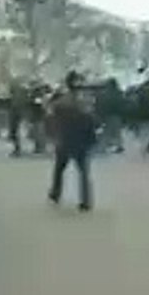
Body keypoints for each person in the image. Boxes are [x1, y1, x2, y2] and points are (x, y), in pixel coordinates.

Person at [48, 72, 97, 211]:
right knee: (83, 172)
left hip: (64, 140)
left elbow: (52, 121)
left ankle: (55, 193)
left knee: (59, 169)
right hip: (81, 141)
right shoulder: (85, 102)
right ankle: (85, 201)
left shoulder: (60, 102)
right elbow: (91, 122)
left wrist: (55, 136)